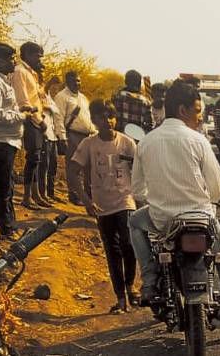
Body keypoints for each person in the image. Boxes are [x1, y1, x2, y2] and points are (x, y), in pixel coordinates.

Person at [129, 80, 220, 339]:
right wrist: (206, 202)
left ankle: (149, 278)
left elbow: (137, 190)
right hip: (201, 218)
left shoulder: (146, 142)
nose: (200, 117)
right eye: (198, 111)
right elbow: (217, 187)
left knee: (134, 222)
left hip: (162, 220)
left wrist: (158, 200)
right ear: (183, 110)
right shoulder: (197, 140)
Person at [67, 99, 139, 314]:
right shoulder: (89, 144)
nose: (108, 121)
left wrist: (141, 196)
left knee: (129, 243)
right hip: (101, 205)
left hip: (125, 200)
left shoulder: (127, 143)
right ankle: (120, 298)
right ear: (94, 120)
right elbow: (72, 171)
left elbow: (139, 170)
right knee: (112, 250)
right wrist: (85, 200)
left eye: (111, 116)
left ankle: (130, 285)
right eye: (102, 117)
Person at [0, 43, 30, 241]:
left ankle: (10, 226)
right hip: (0, 141)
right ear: (0, 61)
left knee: (7, 185)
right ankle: (7, 230)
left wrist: (19, 112)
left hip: (7, 141)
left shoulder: (1, 80)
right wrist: (21, 116)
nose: (15, 61)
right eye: (12, 58)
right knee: (3, 187)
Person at [10, 42, 49, 210]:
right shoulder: (20, 71)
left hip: (36, 119)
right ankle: (27, 197)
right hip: (29, 119)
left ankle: (35, 194)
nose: (40, 60)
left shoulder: (31, 73)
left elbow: (37, 98)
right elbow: (23, 101)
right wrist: (39, 121)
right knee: (32, 158)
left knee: (36, 158)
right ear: (27, 55)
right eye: (37, 56)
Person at [54, 71, 95, 205]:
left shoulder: (83, 98)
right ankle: (74, 194)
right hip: (72, 134)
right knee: (74, 166)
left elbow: (88, 117)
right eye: (73, 81)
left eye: (78, 80)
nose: (77, 83)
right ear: (67, 82)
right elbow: (58, 117)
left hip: (87, 135)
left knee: (89, 166)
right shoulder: (62, 96)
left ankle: (88, 195)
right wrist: (62, 137)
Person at [37, 75, 61, 202]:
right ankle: (43, 193)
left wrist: (50, 107)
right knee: (44, 165)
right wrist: (49, 107)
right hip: (44, 133)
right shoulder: (41, 94)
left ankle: (51, 192)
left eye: (57, 88)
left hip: (53, 135)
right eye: (54, 87)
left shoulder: (51, 99)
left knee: (53, 165)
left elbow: (56, 111)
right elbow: (40, 107)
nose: (56, 90)